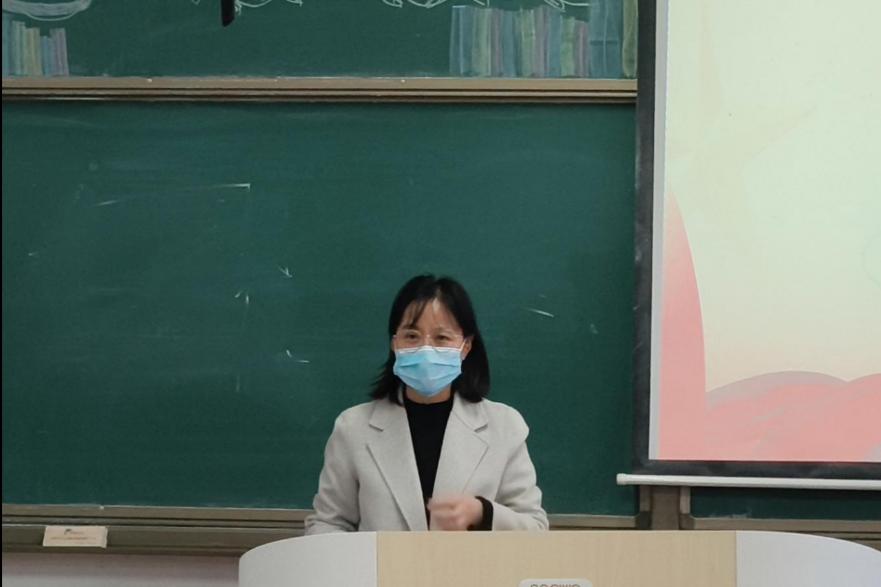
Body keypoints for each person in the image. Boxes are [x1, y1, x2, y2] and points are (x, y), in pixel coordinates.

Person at [305, 274, 548, 534]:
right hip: (379, 563)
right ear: (395, 343)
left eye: (442, 338)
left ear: (466, 346)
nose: (426, 349)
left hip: (471, 563)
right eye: (412, 336)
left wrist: (483, 512)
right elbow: (328, 523)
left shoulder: (504, 426)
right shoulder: (353, 427)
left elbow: (535, 528)